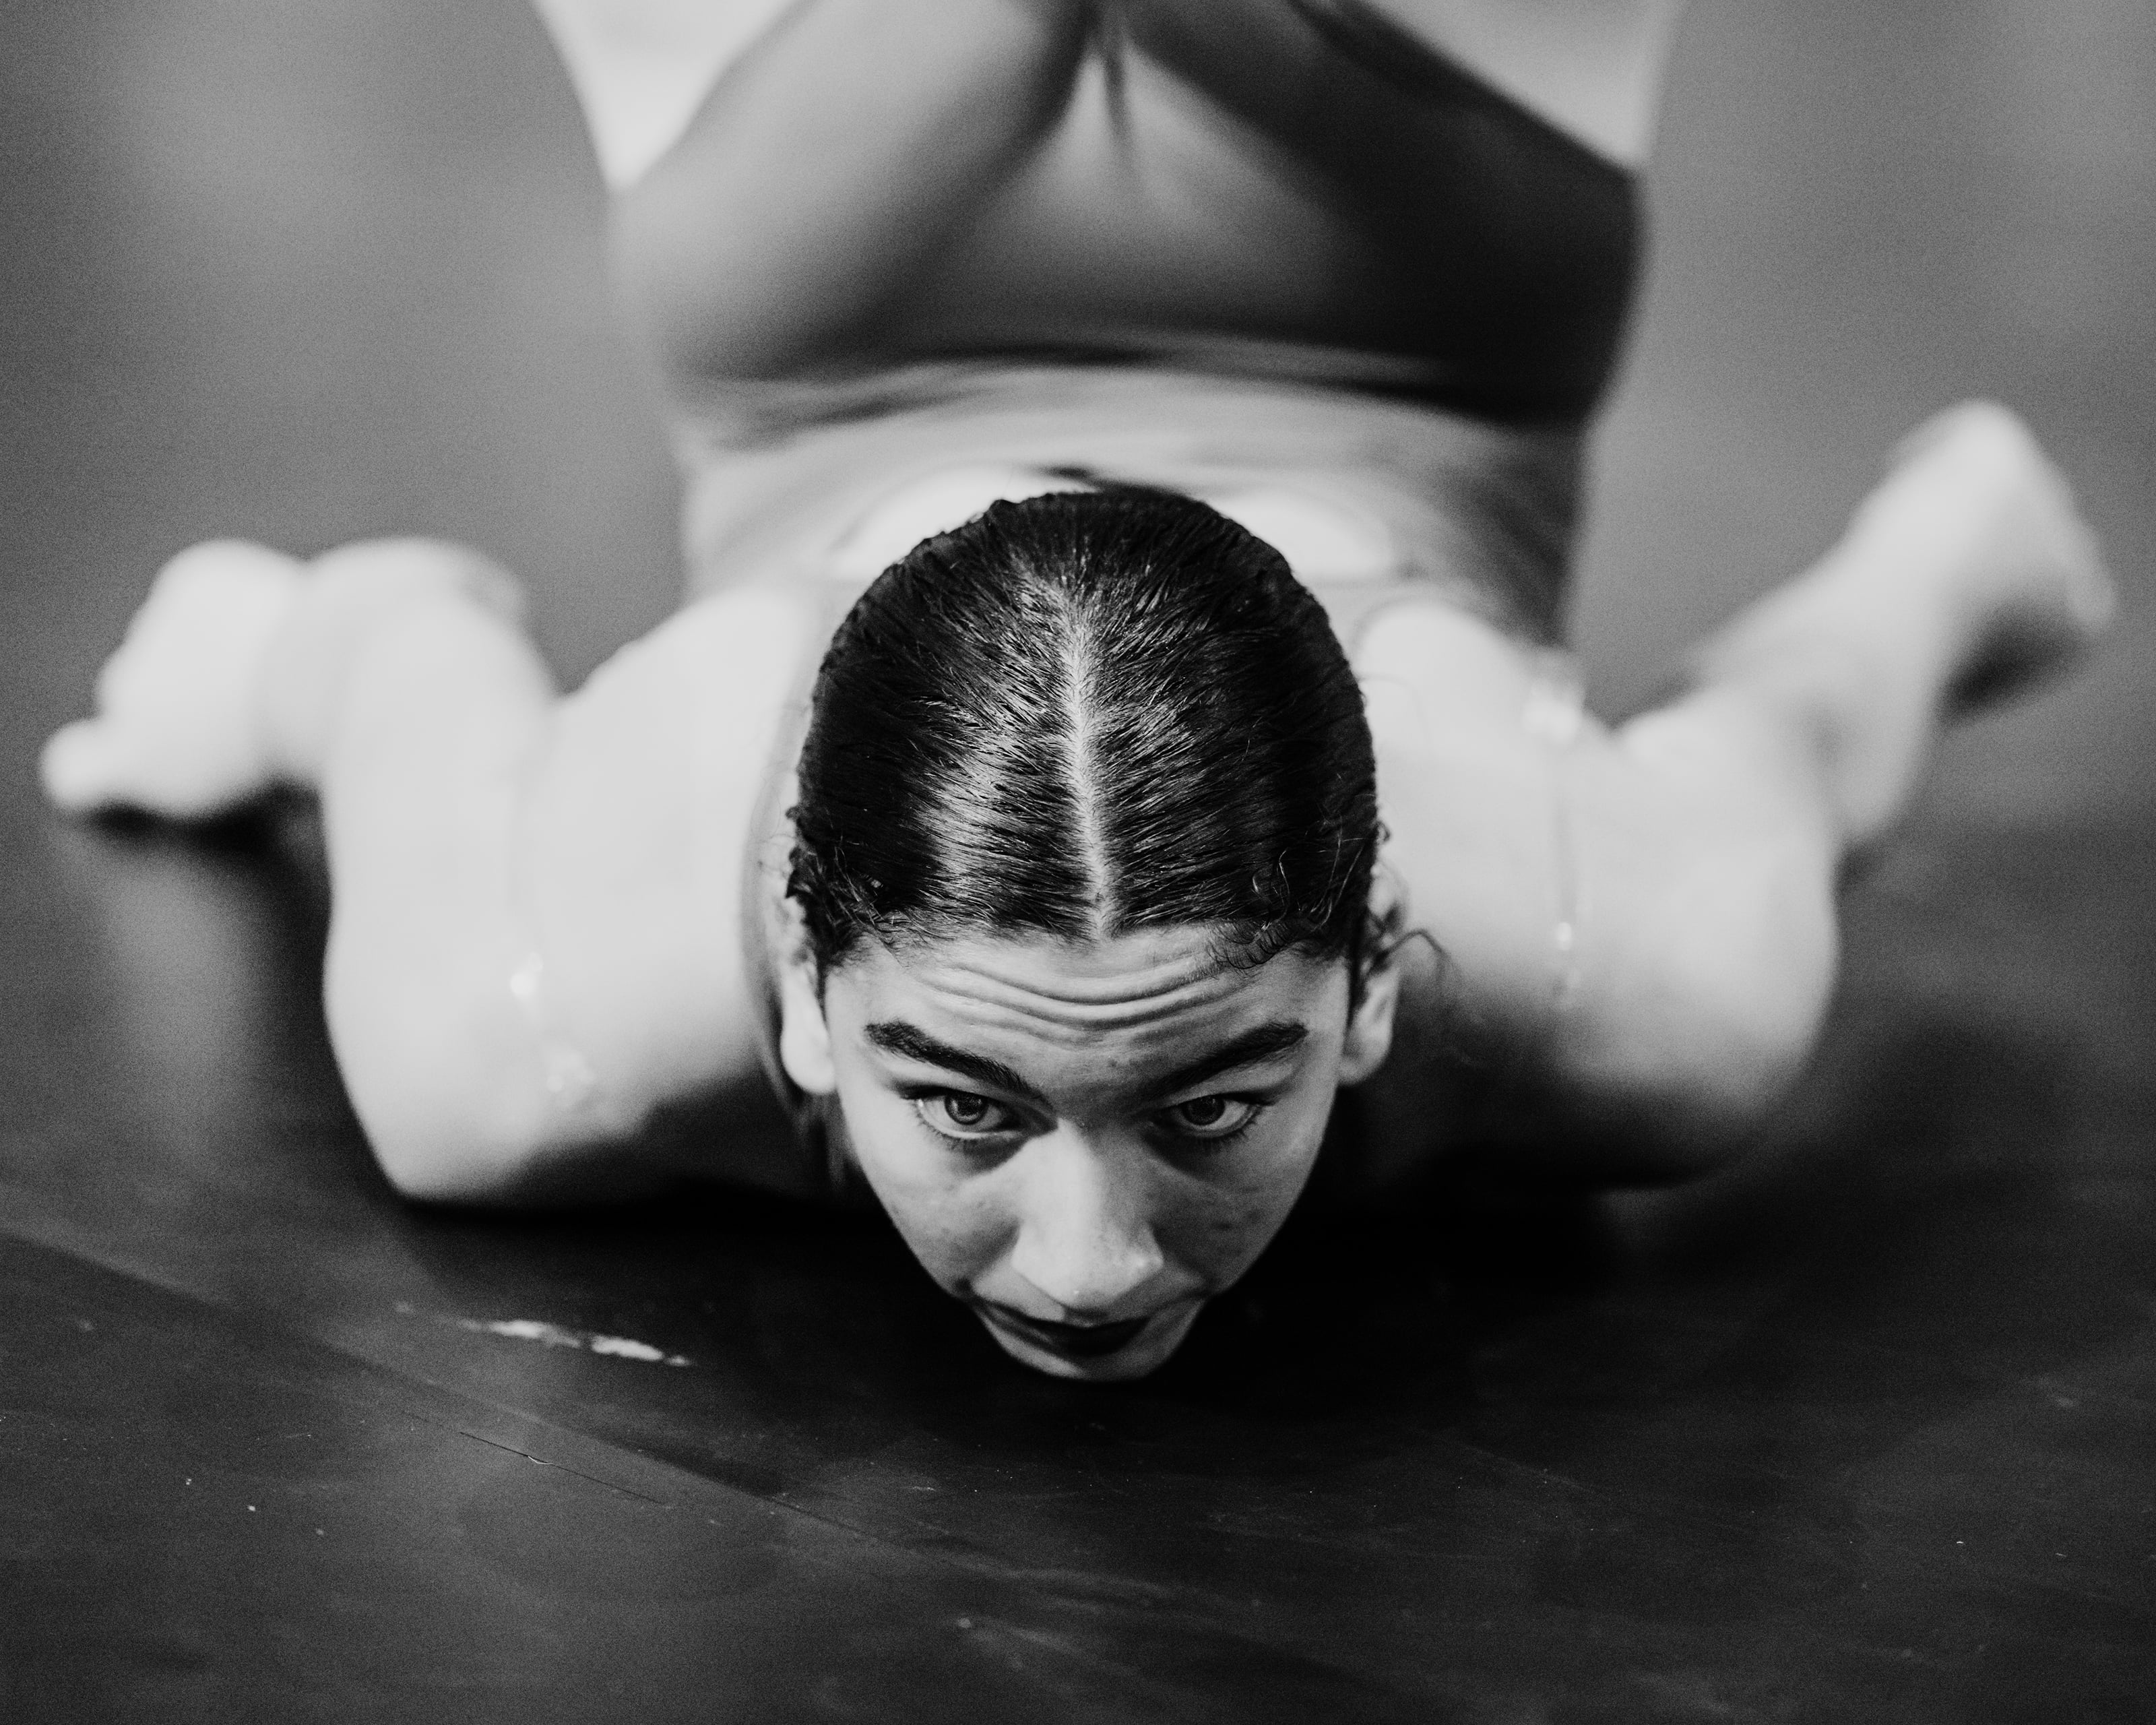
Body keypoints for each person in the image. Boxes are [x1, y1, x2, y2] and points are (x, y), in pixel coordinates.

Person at [38, 0, 2112, 1382]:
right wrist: (1956, 562)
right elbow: (1821, 703)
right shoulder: (1646, 990)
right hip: (1408, 253)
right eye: (969, 1105)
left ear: (1373, 969)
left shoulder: (516, 1039)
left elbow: (389, 629)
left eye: (1210, 1106)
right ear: (801, 972)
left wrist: (259, 669)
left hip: (834, 273)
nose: (1091, 1260)